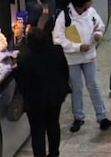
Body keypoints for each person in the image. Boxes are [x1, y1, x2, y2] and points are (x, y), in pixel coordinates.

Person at [52, 0, 111, 133]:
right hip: (72, 58)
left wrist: (98, 34)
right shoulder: (64, 16)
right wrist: (78, 47)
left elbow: (100, 25)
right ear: (82, 3)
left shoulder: (91, 12)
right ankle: (78, 117)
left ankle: (102, 116)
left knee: (93, 85)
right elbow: (57, 39)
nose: (92, 2)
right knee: (76, 88)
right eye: (89, 0)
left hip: (89, 56)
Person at [14, 27, 70, 157]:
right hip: (55, 97)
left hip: (35, 103)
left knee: (37, 132)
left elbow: (22, 84)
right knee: (53, 126)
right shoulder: (57, 51)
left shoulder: (25, 61)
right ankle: (54, 153)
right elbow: (65, 71)